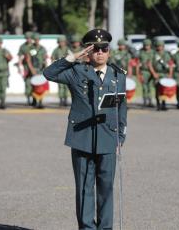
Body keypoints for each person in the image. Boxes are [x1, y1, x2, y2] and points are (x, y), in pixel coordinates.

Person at [43, 28, 127, 230]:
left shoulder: (118, 74)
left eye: (104, 48)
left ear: (109, 51)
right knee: (84, 188)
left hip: (108, 137)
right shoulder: (76, 71)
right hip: (82, 137)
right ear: (87, 51)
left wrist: (121, 133)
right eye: (94, 48)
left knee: (106, 188)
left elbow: (121, 106)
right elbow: (48, 73)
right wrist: (72, 57)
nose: (100, 52)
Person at [25, 33, 48, 108]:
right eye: (35, 40)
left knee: (41, 86)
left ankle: (40, 102)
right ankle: (34, 101)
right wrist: (32, 70)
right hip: (33, 70)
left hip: (41, 70)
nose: (37, 41)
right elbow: (28, 60)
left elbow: (45, 59)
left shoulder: (43, 48)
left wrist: (46, 68)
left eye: (38, 39)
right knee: (34, 86)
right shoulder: (30, 48)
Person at [149, 40, 173, 111]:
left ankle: (164, 104)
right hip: (157, 74)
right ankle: (158, 104)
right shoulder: (153, 54)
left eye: (161, 46)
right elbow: (150, 64)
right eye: (158, 46)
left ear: (163, 47)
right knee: (157, 90)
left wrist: (170, 74)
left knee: (164, 90)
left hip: (164, 74)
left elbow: (170, 64)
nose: (160, 47)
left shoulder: (166, 54)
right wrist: (153, 73)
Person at [51, 35, 70, 106]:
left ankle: (65, 99)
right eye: (60, 42)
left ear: (65, 42)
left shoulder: (68, 49)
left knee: (66, 86)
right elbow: (52, 58)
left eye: (62, 42)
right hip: (59, 70)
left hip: (67, 70)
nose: (61, 43)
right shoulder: (56, 50)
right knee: (60, 86)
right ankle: (61, 100)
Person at [17, 31, 34, 105]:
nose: (28, 39)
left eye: (30, 38)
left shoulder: (34, 46)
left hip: (34, 67)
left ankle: (35, 99)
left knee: (35, 84)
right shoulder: (22, 47)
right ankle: (28, 99)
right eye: (27, 38)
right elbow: (20, 57)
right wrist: (19, 67)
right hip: (26, 67)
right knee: (27, 84)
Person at [138, 39, 154, 107]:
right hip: (144, 71)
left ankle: (150, 101)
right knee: (144, 87)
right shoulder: (141, 53)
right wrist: (139, 73)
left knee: (150, 86)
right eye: (145, 45)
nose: (147, 47)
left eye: (148, 45)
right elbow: (138, 63)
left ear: (150, 46)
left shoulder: (153, 52)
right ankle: (145, 101)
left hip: (151, 71)